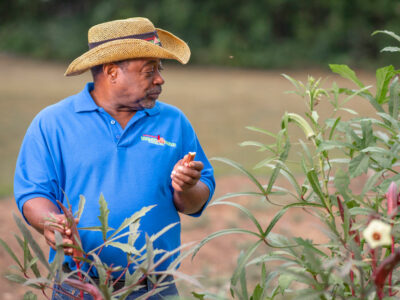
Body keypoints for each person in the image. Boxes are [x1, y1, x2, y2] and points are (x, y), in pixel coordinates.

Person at [14, 17, 215, 299]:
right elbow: (33, 193)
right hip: (77, 288)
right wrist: (52, 223)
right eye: (149, 70)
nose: (160, 78)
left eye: (160, 68)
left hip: (154, 289)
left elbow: (195, 201)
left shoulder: (174, 122)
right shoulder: (53, 123)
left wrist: (188, 186)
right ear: (111, 72)